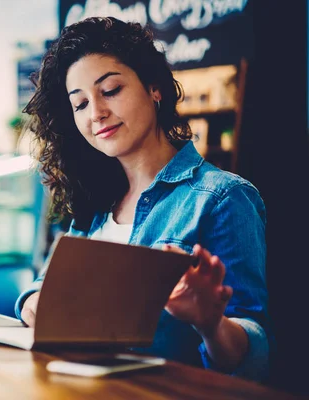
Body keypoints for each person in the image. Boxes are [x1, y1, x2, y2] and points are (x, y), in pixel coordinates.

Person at [15, 17, 270, 382]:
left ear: (154, 89)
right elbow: (43, 287)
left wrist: (211, 324)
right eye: (81, 103)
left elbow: (257, 355)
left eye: (111, 90)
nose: (96, 112)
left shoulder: (223, 197)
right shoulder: (96, 201)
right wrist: (32, 303)